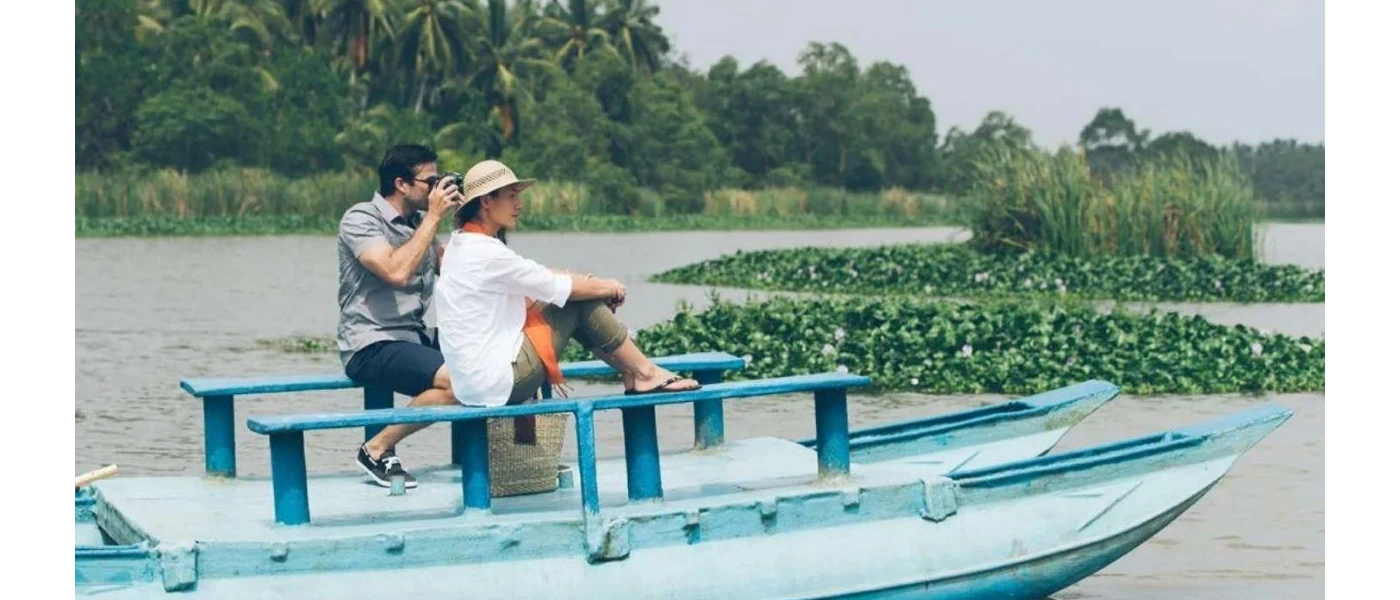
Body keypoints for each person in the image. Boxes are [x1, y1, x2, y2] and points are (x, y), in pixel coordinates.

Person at [435, 159, 703, 414]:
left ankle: (633, 372)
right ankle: (644, 372)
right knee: (577, 303)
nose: (520, 204)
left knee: (575, 296)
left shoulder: (462, 244)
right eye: (512, 196)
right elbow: (557, 287)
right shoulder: (485, 251)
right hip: (498, 383)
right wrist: (606, 287)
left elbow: (537, 276)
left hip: (473, 386)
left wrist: (590, 284)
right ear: (486, 201)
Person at [336, 144, 464, 488]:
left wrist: (474, 219)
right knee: (459, 380)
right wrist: (434, 218)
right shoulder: (361, 219)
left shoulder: (419, 223)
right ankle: (377, 448)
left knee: (502, 360)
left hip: (414, 337)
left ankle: (516, 454)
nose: (438, 189)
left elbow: (461, 272)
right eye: (431, 181)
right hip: (371, 342)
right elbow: (395, 271)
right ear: (401, 184)